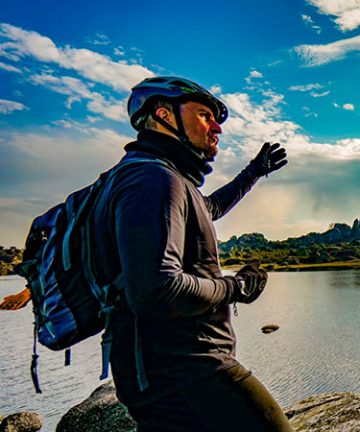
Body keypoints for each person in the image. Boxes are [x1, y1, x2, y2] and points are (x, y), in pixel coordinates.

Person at [87, 76, 293, 431]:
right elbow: (157, 289)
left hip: (156, 372)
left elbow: (207, 207)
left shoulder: (151, 175)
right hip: (188, 370)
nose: (217, 128)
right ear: (164, 114)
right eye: (204, 116)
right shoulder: (153, 180)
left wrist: (254, 171)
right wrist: (236, 288)